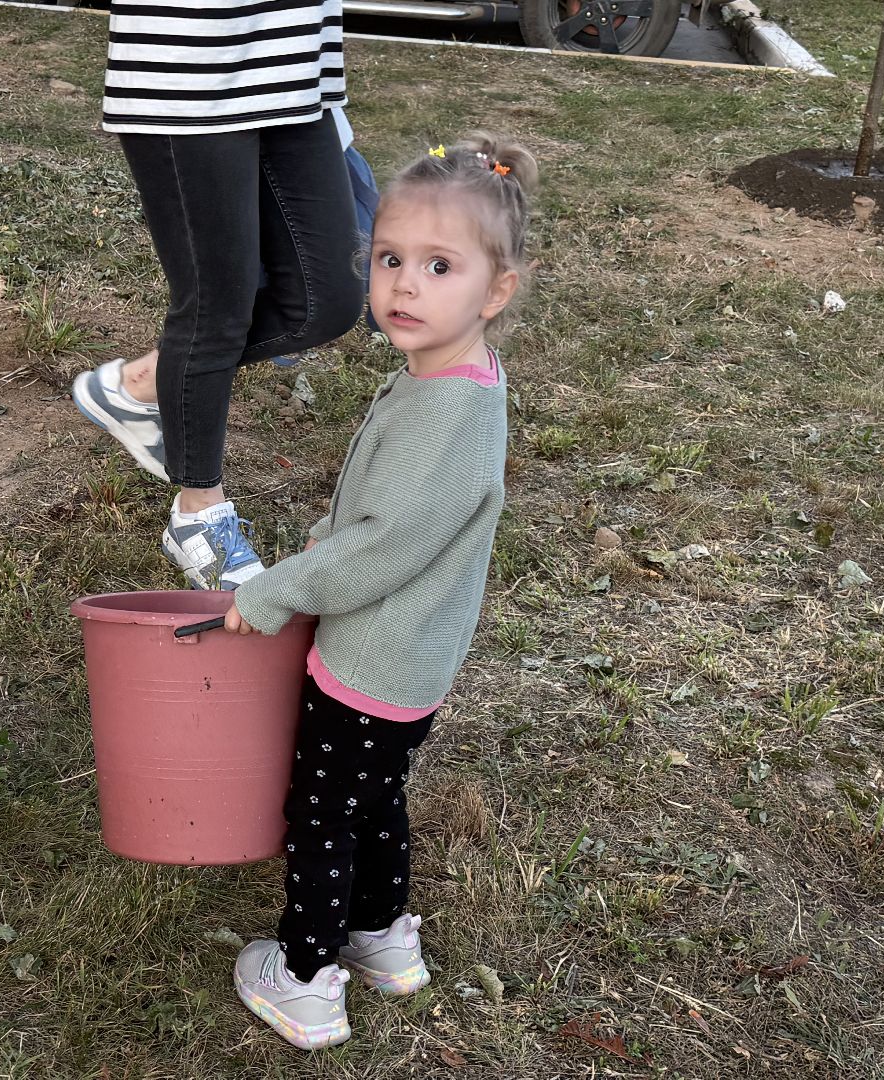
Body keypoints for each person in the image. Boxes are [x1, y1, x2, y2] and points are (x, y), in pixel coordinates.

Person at [222, 133, 539, 1050]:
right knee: (376, 798)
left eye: (439, 266)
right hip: (413, 657)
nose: (403, 285)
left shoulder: (448, 409)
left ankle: (309, 979)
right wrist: (337, 538)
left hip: (376, 654)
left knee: (321, 814)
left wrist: (284, 586)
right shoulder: (456, 377)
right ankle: (384, 938)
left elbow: (387, 545)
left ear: (496, 290)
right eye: (389, 259)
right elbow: (393, 514)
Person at [71, 0, 363, 590]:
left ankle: (144, 383)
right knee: (215, 307)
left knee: (329, 299)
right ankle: (197, 511)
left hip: (294, 66)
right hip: (191, 68)